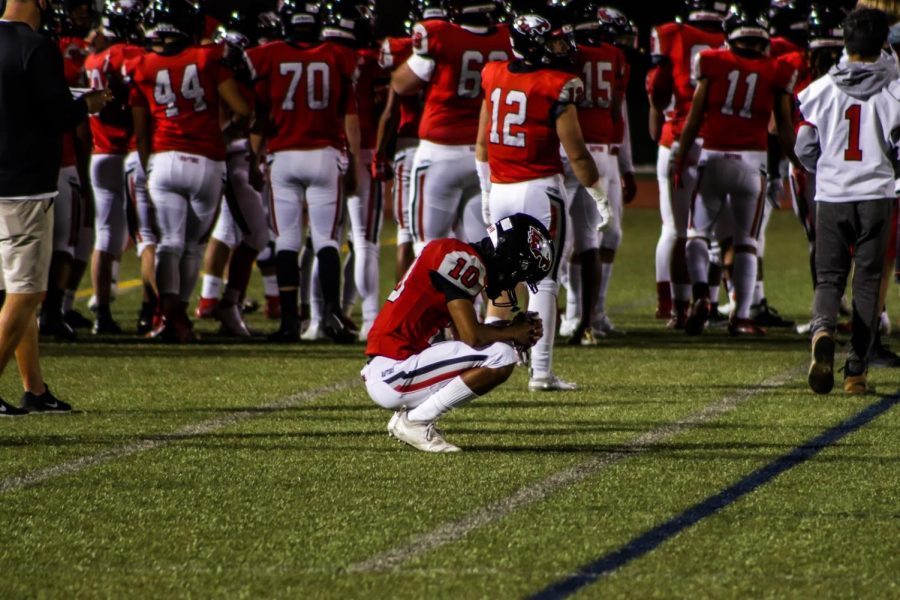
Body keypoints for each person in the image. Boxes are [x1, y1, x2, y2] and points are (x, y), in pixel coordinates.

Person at [477, 0, 610, 391]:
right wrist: (600, 197)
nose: (559, 48)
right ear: (536, 45)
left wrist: (486, 190)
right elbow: (578, 154)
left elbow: (482, 142)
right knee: (544, 283)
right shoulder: (556, 85)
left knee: (502, 278)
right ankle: (542, 372)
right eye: (551, 43)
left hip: (500, 188)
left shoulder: (493, 73)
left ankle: (489, 361)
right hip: (539, 191)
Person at [0, 0, 110, 415]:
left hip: (4, 181)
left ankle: (35, 388)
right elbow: (59, 113)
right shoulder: (35, 46)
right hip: (23, 187)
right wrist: (89, 103)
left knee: (17, 293)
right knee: (27, 292)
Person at [362, 213, 552, 452]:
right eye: (517, 275)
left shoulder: (461, 256)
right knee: (502, 355)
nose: (512, 284)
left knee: (499, 349)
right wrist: (513, 332)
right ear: (508, 259)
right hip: (393, 371)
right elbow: (471, 336)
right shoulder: (463, 261)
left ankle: (415, 419)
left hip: (393, 365)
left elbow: (465, 338)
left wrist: (510, 330)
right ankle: (415, 421)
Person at [130, 0, 251, 342]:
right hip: (206, 162)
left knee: (169, 242)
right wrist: (221, 136)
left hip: (163, 160)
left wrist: (148, 163)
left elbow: (140, 132)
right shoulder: (208, 58)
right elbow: (241, 110)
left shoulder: (141, 64)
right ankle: (179, 315)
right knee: (192, 246)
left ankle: (172, 318)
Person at [675, 6, 798, 336]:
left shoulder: (713, 62)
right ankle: (741, 316)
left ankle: (701, 295)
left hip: (712, 157)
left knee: (697, 233)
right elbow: (785, 130)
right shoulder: (778, 69)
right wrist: (798, 162)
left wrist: (681, 157)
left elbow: (695, 117)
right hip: (751, 163)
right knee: (746, 242)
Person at [799, 7, 900, 394]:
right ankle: (856, 371)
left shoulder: (822, 89)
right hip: (875, 194)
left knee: (829, 278)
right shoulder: (893, 89)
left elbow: (805, 145)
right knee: (869, 282)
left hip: (833, 195)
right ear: (882, 45)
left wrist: (826, 167)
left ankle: (822, 330)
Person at [246, 0, 360, 344]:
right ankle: (332, 317)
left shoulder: (268, 55)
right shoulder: (338, 56)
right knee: (326, 239)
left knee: (287, 241)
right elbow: (349, 115)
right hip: (324, 156)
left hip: (283, 157)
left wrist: (253, 156)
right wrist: (353, 159)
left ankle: (290, 322)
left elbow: (260, 113)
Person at [391, 0, 510, 256]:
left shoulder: (442, 36)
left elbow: (402, 85)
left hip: (440, 153)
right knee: (482, 249)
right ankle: (484, 297)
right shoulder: (505, 39)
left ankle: (430, 297)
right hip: (484, 157)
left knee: (427, 248)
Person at [646, 0, 727, 328]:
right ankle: (717, 304)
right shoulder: (734, 39)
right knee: (717, 234)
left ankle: (676, 308)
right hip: (722, 143)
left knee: (676, 230)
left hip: (679, 139)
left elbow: (657, 93)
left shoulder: (671, 35)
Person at [84, 0, 145, 335]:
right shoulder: (126, 53)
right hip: (124, 151)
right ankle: (153, 310)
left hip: (99, 152)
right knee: (146, 234)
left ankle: (101, 310)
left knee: (105, 235)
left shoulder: (94, 58)